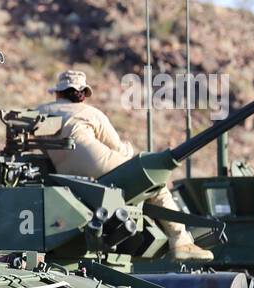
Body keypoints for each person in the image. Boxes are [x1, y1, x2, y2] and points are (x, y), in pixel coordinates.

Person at [37, 69, 213, 261]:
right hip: (100, 165)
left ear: (58, 92)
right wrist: (131, 153)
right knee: (154, 184)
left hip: (64, 173)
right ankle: (180, 242)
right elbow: (118, 148)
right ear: (82, 94)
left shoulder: (40, 112)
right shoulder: (91, 113)